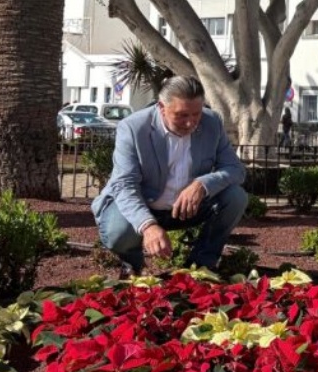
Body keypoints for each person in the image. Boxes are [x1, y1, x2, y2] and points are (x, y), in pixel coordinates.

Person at [92, 75, 248, 276]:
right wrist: (147, 226)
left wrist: (202, 184)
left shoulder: (212, 122)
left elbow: (235, 170)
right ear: (161, 107)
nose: (191, 122)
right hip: (143, 205)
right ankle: (132, 266)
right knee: (118, 232)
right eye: (182, 115)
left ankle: (201, 265)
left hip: (185, 210)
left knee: (236, 197)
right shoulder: (133, 128)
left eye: (196, 114)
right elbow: (124, 184)